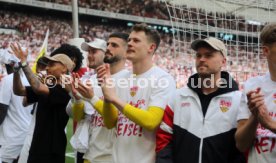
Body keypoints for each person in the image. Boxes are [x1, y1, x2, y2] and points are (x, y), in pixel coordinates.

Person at [74, 23, 176, 163]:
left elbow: (151, 121)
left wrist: (114, 99)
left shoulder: (162, 79)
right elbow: (110, 123)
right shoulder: (122, 79)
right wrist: (108, 99)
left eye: (136, 41)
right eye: (129, 40)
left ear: (151, 48)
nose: (130, 44)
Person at [156, 37, 246, 163]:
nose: (202, 59)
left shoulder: (239, 100)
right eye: (198, 55)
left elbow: (244, 148)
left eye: (209, 55)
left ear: (223, 61)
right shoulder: (178, 97)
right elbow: (164, 137)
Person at [10, 42, 83, 163]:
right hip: (36, 146)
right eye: (47, 64)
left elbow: (38, 88)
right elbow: (19, 91)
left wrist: (24, 63)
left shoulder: (66, 89)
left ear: (64, 68)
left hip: (52, 150)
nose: (47, 68)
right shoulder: (48, 84)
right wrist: (16, 71)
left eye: (52, 64)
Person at [71, 33, 129, 163]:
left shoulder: (129, 80)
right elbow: (78, 117)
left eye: (113, 45)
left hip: (111, 157)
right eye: (108, 44)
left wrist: (92, 98)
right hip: (90, 154)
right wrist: (77, 98)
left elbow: (116, 120)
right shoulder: (91, 80)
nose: (109, 48)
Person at [235, 23, 276, 163]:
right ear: (266, 51)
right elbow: (241, 145)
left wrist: (270, 124)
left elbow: (269, 123)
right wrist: (255, 116)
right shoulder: (253, 86)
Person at [0, 68, 33, 163]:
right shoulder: (35, 81)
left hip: (10, 137)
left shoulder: (8, 79)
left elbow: (2, 110)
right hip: (27, 135)